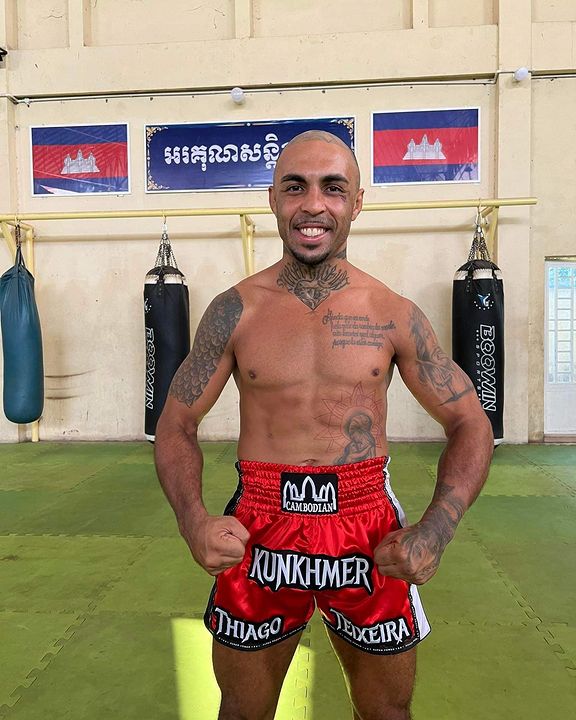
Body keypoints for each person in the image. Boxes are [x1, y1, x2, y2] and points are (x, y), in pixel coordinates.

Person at [154, 130, 494, 720]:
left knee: (387, 713)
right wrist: (192, 520)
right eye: (295, 187)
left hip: (366, 528)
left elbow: (470, 422)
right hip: (261, 526)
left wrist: (437, 529)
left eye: (333, 188)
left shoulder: (392, 313)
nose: (313, 205)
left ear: (357, 202)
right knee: (242, 711)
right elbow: (177, 422)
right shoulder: (235, 311)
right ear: (273, 199)